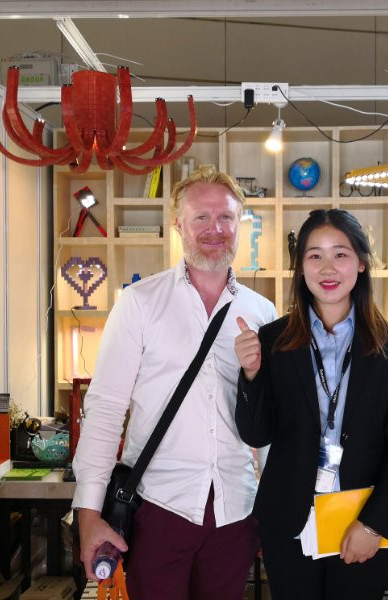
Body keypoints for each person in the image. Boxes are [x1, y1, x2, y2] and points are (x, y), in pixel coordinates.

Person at [72, 166, 277, 600]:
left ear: (239, 224)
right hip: (157, 508)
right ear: (178, 224)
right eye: (201, 217)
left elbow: (269, 421)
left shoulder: (262, 312)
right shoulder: (139, 303)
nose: (214, 229)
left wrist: (280, 502)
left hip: (236, 511)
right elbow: (105, 409)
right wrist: (88, 512)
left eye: (225, 217)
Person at [234, 208, 388, 600]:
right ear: (300, 267)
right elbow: (255, 433)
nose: (328, 268)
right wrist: (250, 375)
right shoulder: (273, 339)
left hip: (361, 516)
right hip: (290, 519)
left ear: (362, 263)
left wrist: (376, 524)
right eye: (315, 255)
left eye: (341, 254)